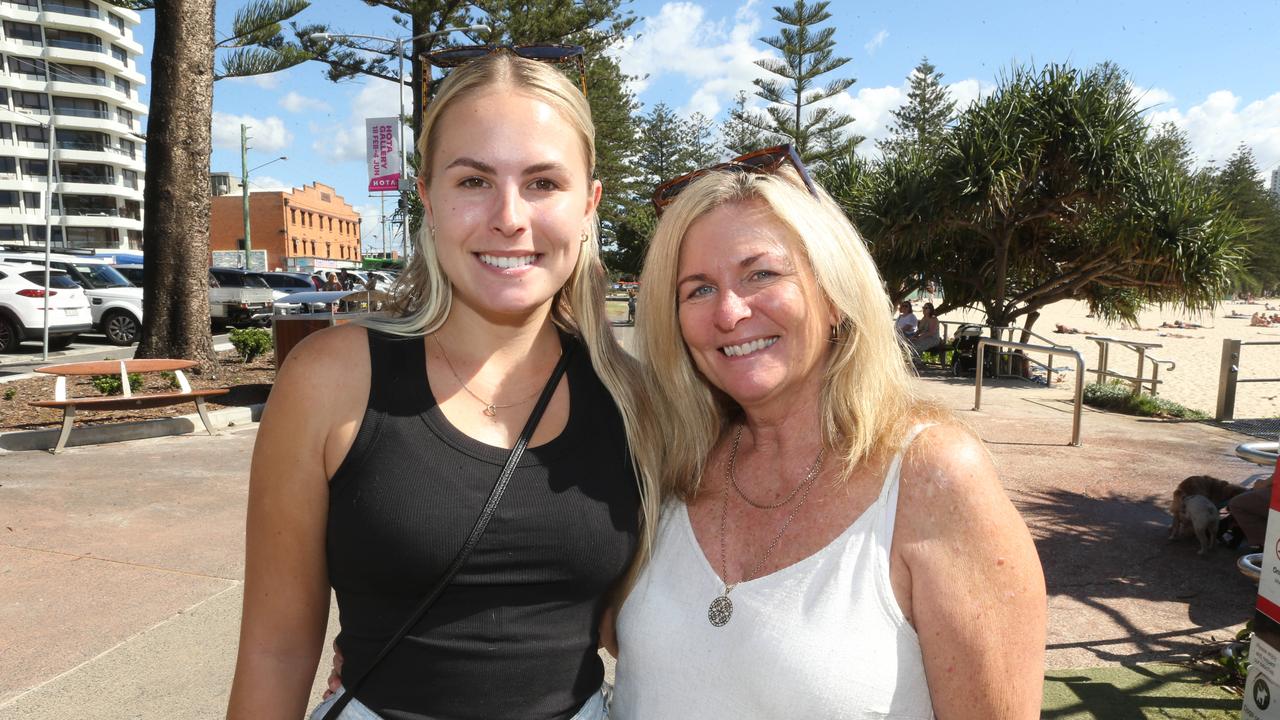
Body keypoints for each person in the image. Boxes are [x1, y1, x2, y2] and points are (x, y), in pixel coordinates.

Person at [227, 49, 659, 720]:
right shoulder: (330, 381)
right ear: (426, 196)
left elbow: (653, 625)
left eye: (544, 182)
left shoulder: (636, 401)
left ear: (588, 205)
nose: (510, 217)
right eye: (473, 181)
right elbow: (276, 649)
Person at [613, 150, 1047, 718]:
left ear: (834, 295)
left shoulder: (930, 478)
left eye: (761, 273)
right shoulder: (666, 463)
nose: (728, 312)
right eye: (697, 289)